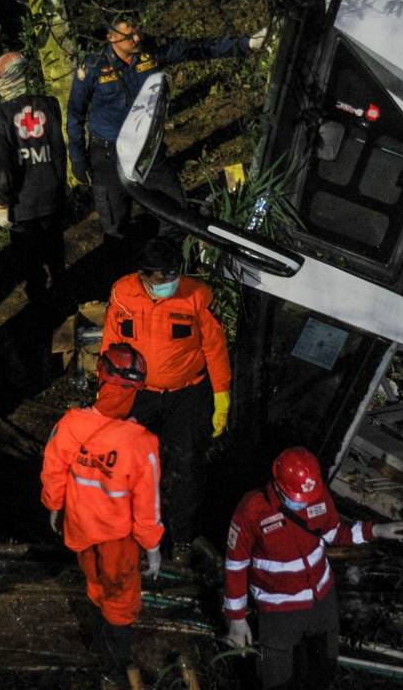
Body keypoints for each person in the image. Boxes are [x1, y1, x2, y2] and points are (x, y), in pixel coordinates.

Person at [67, 16, 264, 259]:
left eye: (138, 31)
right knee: (115, 223)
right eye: (129, 36)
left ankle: (166, 260)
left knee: (174, 209)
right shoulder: (93, 67)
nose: (137, 39)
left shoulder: (151, 52)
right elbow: (75, 113)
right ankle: (125, 275)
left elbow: (195, 49)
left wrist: (246, 44)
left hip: (147, 150)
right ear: (111, 36)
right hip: (107, 153)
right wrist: (77, 157)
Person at [223, 447, 403, 688]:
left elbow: (335, 531)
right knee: (277, 678)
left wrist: (376, 530)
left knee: (323, 670)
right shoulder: (251, 510)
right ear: (279, 486)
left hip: (322, 600)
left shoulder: (316, 494)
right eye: (297, 499)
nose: (304, 503)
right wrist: (236, 619)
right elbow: (235, 565)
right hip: (279, 609)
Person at [40, 342, 163, 689]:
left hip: (80, 528)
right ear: (137, 388)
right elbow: (147, 503)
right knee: (121, 603)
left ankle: (102, 653)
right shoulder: (141, 442)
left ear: (101, 376)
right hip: (117, 540)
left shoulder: (71, 423)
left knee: (94, 588)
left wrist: (55, 506)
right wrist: (152, 545)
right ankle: (117, 665)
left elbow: (53, 469)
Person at [102, 237, 231, 565]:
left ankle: (183, 537)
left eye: (174, 275)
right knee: (134, 466)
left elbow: (215, 348)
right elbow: (111, 344)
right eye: (162, 278)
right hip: (139, 395)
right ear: (144, 275)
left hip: (186, 395)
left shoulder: (197, 297)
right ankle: (134, 532)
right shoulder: (122, 294)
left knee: (187, 465)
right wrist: (108, 395)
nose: (169, 284)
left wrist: (221, 396)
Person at [0, 51, 68, 304]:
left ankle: (41, 314)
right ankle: (64, 299)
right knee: (56, 256)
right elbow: (59, 150)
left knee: (30, 263)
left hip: (22, 202)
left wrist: (2, 202)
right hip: (52, 194)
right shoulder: (50, 103)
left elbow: (4, 166)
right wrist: (62, 185)